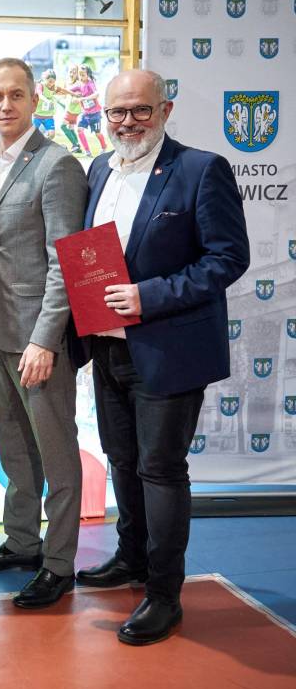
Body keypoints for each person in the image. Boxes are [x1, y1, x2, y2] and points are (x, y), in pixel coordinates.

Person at [75, 69, 249, 645]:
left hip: (169, 349)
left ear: (165, 110)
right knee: (123, 461)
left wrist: (149, 297)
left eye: (140, 110)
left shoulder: (201, 169)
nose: (128, 122)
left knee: (161, 470)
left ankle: (164, 594)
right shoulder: (99, 169)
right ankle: (131, 557)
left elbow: (227, 258)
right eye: (117, 112)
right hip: (107, 345)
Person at [0, 58, 87, 609]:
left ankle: (58, 564)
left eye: (16, 94)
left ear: (35, 100)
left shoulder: (57, 165)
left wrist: (45, 339)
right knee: (15, 450)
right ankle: (21, 543)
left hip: (40, 341)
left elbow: (66, 263)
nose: (6, 105)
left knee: (56, 455)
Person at [71, 64, 107, 157]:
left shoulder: (90, 83)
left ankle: (104, 147)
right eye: (80, 74)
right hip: (85, 114)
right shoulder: (79, 85)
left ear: (88, 75)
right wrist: (58, 90)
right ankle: (87, 151)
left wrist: (83, 99)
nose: (81, 76)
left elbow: (97, 94)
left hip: (95, 114)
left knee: (97, 133)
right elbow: (69, 91)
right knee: (79, 130)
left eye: (83, 74)